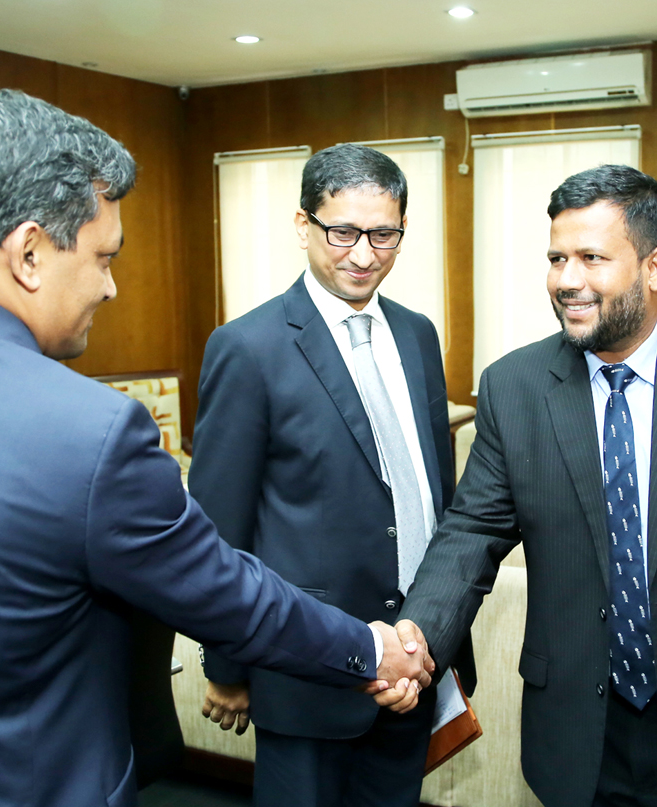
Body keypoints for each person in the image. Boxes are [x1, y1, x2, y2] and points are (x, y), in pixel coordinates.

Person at [0, 90, 430, 807]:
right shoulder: (89, 430)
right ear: (31, 252)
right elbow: (227, 589)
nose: (109, 287)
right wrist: (372, 648)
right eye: (104, 257)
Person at [398, 164, 657, 807]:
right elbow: (472, 532)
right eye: (556, 258)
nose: (566, 280)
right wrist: (414, 639)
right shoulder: (513, 388)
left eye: (591, 258)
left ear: (654, 267)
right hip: (578, 733)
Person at [190, 143, 474, 807]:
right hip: (306, 674)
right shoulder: (248, 347)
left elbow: (438, 498)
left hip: (414, 664)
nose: (364, 253)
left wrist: (432, 635)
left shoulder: (417, 335)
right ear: (303, 226)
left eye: (384, 234)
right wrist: (227, 665)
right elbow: (217, 529)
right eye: (343, 231)